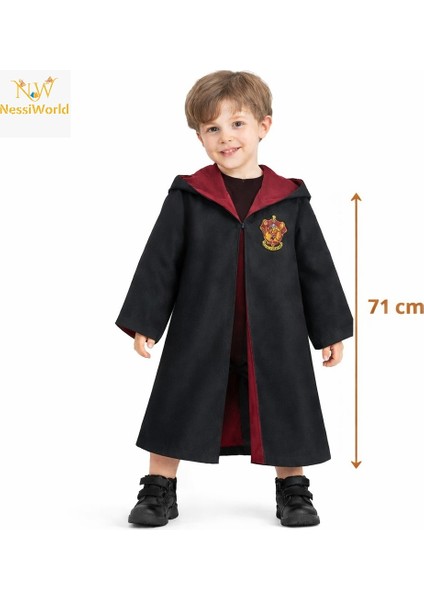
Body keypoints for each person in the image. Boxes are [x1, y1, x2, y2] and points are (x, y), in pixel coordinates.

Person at [115, 70, 353, 528]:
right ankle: (159, 487)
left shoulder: (289, 200)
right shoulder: (189, 195)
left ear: (264, 126)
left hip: (277, 329)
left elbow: (316, 267)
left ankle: (293, 490)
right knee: (178, 396)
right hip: (201, 326)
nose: (226, 137)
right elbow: (161, 260)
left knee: (286, 400)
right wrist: (146, 319)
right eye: (212, 128)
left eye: (237, 124)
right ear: (200, 137)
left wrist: (329, 330)